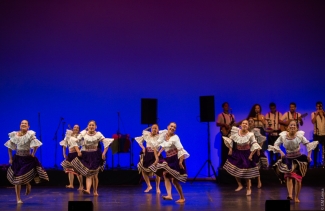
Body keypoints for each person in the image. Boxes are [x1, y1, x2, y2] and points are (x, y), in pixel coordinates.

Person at [268, 120, 318, 203]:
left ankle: (296, 197)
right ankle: (290, 194)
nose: (292, 126)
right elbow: (276, 144)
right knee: (288, 176)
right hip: (288, 158)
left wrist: (309, 155)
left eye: (294, 125)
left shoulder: (299, 136)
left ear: (297, 128)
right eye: (291, 125)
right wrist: (281, 152)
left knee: (298, 179)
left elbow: (308, 144)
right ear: (288, 127)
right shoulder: (283, 136)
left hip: (298, 158)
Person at [4, 120, 49, 203]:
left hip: (27, 158)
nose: (23, 124)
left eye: (25, 123)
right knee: (17, 178)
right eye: (22, 123)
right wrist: (10, 158)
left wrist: (33, 153)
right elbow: (9, 148)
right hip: (18, 158)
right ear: (20, 125)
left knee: (22, 175)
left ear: (28, 126)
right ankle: (18, 198)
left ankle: (28, 183)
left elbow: (36, 144)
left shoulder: (30, 134)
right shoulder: (15, 135)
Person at [149, 122, 190, 203]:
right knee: (165, 175)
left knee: (174, 180)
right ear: (168, 127)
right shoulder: (163, 134)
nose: (172, 128)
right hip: (168, 158)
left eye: (174, 127)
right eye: (171, 126)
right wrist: (157, 158)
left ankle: (182, 197)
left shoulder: (175, 137)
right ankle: (169, 195)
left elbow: (180, 149)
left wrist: (181, 162)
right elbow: (156, 146)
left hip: (176, 159)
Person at [71, 120, 113, 196]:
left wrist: (104, 153)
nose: (91, 126)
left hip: (95, 155)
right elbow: (74, 142)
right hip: (86, 155)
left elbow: (107, 142)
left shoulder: (98, 134)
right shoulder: (83, 133)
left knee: (95, 175)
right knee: (89, 174)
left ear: (95, 126)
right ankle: (87, 189)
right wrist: (78, 151)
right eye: (90, 125)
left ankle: (95, 191)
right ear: (87, 126)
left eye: (93, 125)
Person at [222, 120, 261, 196]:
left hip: (246, 153)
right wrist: (230, 149)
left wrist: (251, 155)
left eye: (246, 124)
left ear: (248, 126)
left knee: (247, 172)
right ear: (241, 124)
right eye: (243, 123)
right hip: (238, 152)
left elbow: (254, 144)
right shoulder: (236, 132)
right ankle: (240, 185)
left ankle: (249, 188)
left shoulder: (250, 134)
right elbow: (230, 140)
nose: (244, 125)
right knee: (234, 169)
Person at [135, 124, 163, 193]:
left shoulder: (160, 137)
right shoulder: (147, 135)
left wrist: (159, 152)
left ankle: (157, 187)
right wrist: (143, 148)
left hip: (156, 154)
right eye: (153, 128)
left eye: (156, 128)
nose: (154, 129)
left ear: (158, 130)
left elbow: (165, 145)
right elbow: (139, 141)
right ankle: (149, 185)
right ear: (151, 129)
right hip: (147, 154)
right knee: (143, 170)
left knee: (158, 171)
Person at [60, 124, 83, 190]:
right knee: (69, 170)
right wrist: (64, 153)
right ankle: (71, 184)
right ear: (72, 128)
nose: (76, 128)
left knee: (78, 170)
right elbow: (64, 145)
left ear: (79, 129)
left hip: (77, 154)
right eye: (74, 127)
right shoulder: (68, 136)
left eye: (77, 127)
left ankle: (81, 186)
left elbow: (82, 145)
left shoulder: (79, 136)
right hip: (70, 154)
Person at [248, 117, 268, 188]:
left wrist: (259, 149)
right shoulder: (246, 131)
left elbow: (261, 140)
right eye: (249, 121)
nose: (250, 122)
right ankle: (249, 182)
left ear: (253, 123)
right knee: (248, 166)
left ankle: (259, 181)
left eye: (251, 121)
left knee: (256, 167)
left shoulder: (255, 130)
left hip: (255, 149)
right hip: (248, 150)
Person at [216, 102, 236, 166]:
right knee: (224, 149)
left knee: (231, 148)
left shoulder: (232, 116)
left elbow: (234, 124)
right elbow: (217, 123)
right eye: (225, 106)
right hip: (224, 133)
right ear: (223, 107)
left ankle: (231, 163)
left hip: (231, 133)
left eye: (227, 106)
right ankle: (224, 164)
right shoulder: (220, 115)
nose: (227, 107)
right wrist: (224, 124)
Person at [311, 101, 325, 168]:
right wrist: (316, 114)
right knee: (315, 149)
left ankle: (324, 163)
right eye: (318, 106)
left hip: (324, 133)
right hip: (316, 133)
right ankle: (315, 164)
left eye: (320, 106)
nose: (319, 107)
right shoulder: (313, 113)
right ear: (316, 107)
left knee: (324, 149)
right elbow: (313, 121)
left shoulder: (324, 114)